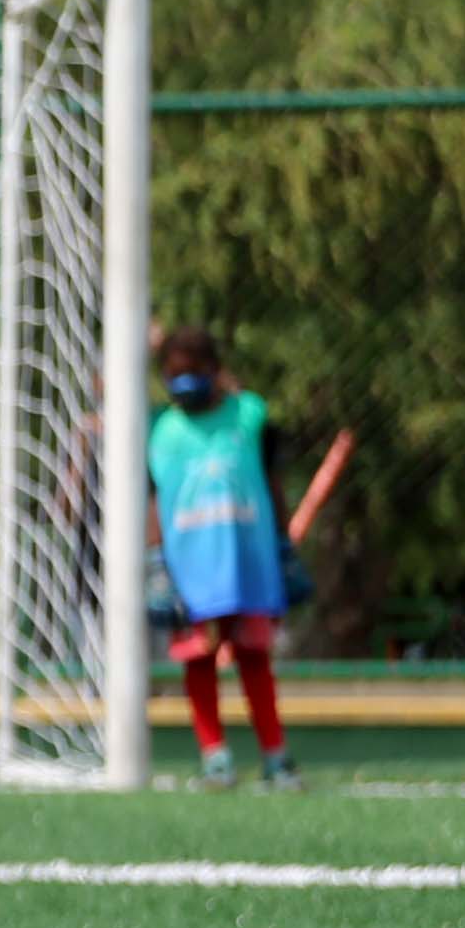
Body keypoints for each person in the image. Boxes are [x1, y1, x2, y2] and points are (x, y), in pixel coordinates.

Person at [149, 323, 298, 789]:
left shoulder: (249, 415)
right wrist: (156, 561)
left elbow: (273, 480)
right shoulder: (162, 430)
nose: (184, 382)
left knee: (254, 656)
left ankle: (275, 757)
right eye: (174, 374)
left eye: (194, 372)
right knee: (198, 660)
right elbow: (154, 497)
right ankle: (215, 756)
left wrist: (284, 542)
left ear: (215, 370)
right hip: (190, 570)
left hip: (249, 563)